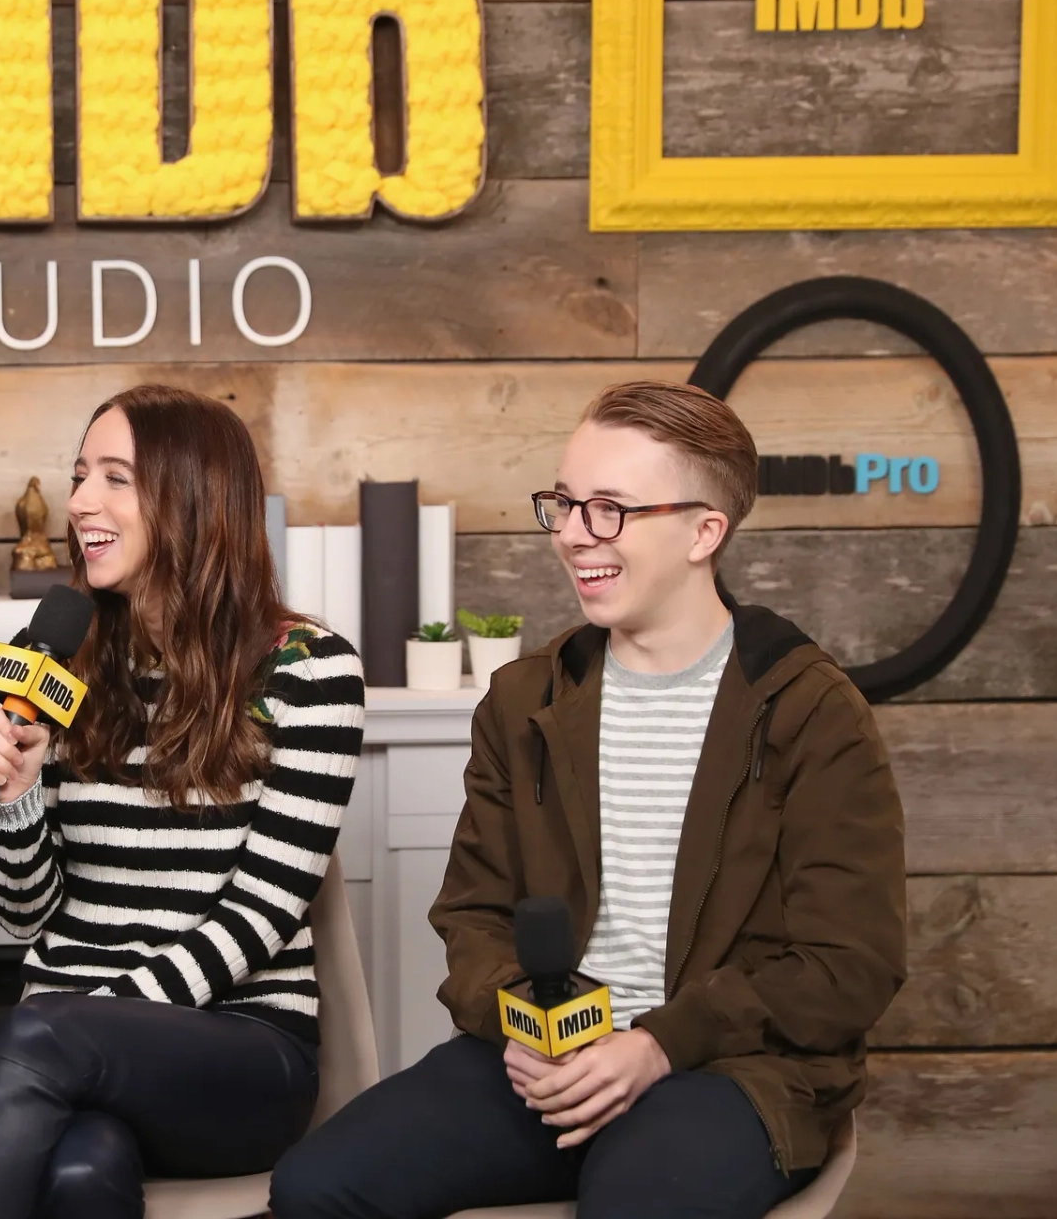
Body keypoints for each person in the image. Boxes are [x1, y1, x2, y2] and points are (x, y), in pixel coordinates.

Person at [271, 380, 907, 1219]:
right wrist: (525, 1024)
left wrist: (657, 1045)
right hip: (546, 1055)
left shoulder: (811, 711)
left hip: (732, 1071)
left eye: (608, 510)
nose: (572, 535)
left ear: (702, 531)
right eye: (565, 504)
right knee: (316, 1189)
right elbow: (472, 917)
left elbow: (847, 967)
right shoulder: (523, 700)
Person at [0, 384, 365, 1219]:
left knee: (18, 1035)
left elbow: (256, 922)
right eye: (77, 476)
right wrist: (17, 798)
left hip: (240, 1051)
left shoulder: (308, 671)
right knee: (78, 1172)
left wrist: (82, 1022)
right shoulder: (65, 670)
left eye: (114, 479)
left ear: (196, 498)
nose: (77, 504)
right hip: (66, 1051)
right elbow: (24, 915)